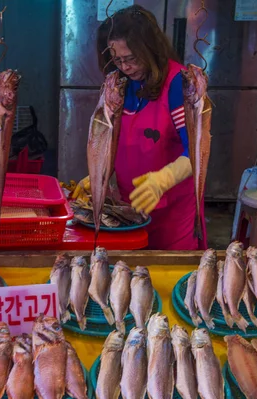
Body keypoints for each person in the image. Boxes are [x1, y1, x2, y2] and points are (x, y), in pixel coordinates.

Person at [72, 5, 207, 250]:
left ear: (150, 49)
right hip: (128, 209)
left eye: (131, 58)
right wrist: (100, 177)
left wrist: (162, 180)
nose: (125, 67)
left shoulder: (178, 85)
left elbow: (197, 152)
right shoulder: (122, 84)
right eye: (117, 60)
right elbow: (116, 142)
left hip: (172, 216)